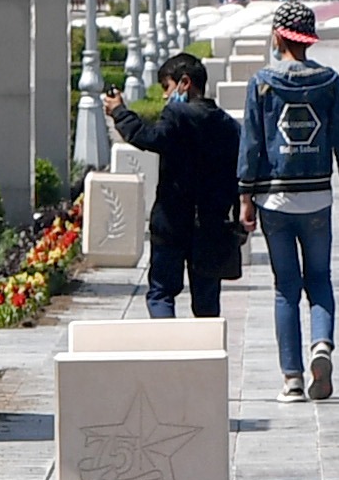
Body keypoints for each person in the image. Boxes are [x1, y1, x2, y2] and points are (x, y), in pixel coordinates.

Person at [237, 5, 339, 400]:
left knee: (285, 288)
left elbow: (252, 143)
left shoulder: (262, 83)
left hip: (274, 197)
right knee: (320, 278)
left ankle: (291, 379)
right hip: (317, 196)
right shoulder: (329, 81)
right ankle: (321, 345)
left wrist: (245, 196)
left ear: (278, 36)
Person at [103, 50, 241, 320]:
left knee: (161, 292)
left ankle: (167, 349)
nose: (166, 96)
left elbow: (149, 137)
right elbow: (239, 174)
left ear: (185, 83)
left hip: (172, 219)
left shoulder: (177, 115)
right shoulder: (228, 125)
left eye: (167, 87)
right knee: (207, 300)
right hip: (211, 224)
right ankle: (206, 355)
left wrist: (120, 112)